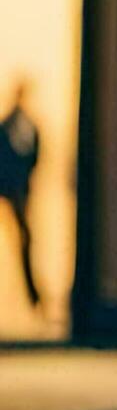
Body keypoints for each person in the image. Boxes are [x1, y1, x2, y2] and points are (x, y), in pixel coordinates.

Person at [0, 80, 40, 308]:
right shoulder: (7, 125)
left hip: (20, 190)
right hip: (9, 188)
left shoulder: (27, 126)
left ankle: (32, 294)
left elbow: (35, 156)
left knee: (25, 237)